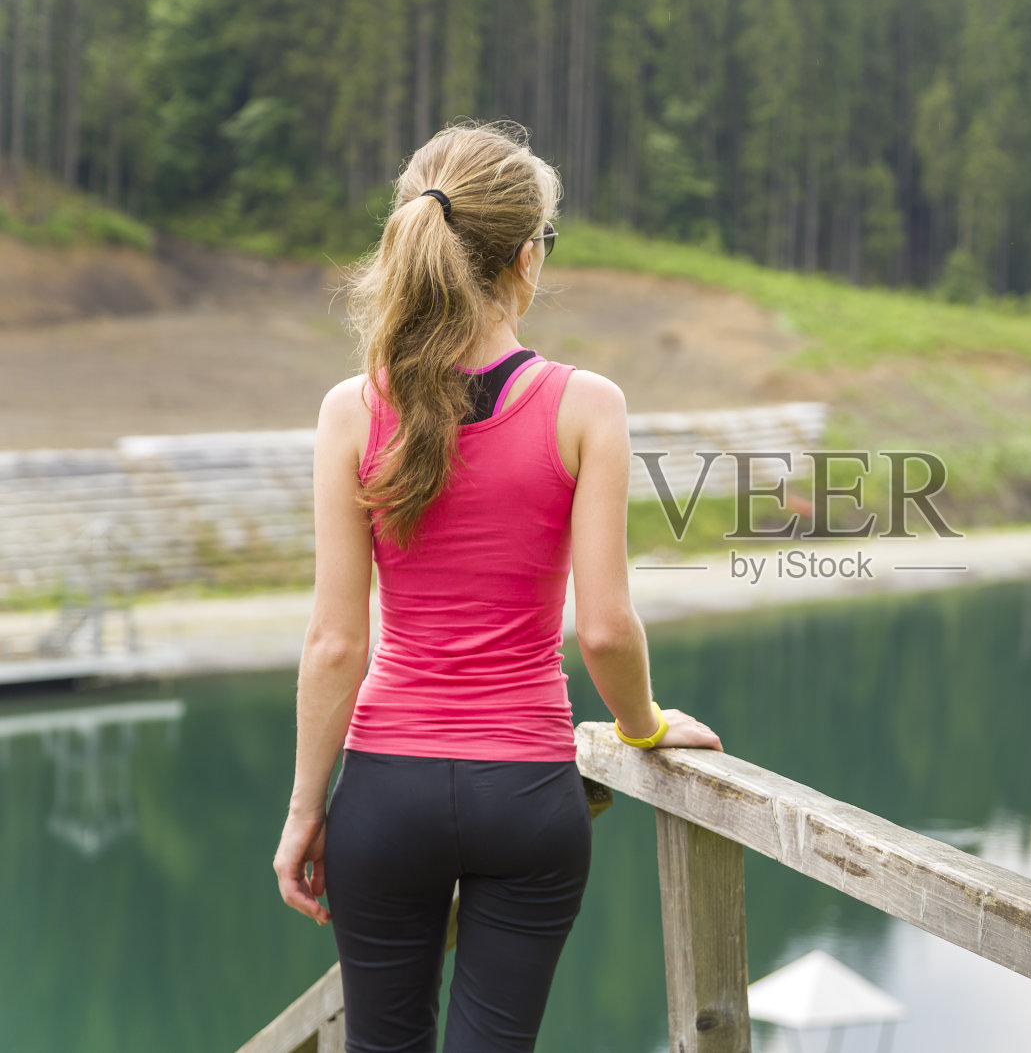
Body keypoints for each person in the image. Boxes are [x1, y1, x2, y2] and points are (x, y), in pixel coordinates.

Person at [271, 119, 723, 1053]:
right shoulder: (585, 404)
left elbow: (335, 643)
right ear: (527, 256)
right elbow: (602, 628)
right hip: (525, 793)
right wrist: (642, 727)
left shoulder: (354, 408)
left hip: (384, 795)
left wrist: (307, 808)